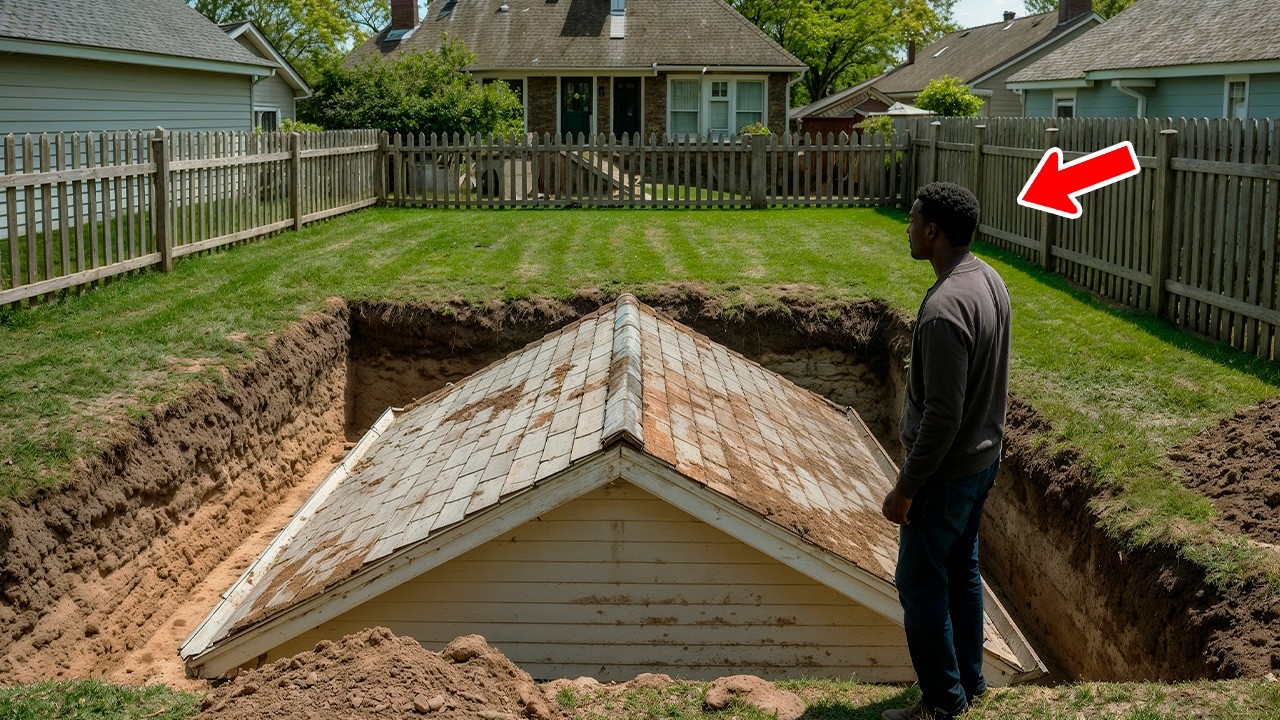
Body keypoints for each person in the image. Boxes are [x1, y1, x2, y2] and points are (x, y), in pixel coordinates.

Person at [880, 182, 1012, 720]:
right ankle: (970, 686)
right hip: (983, 462)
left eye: (912, 220)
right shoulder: (989, 279)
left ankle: (942, 703)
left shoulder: (943, 311)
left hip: (947, 474)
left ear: (932, 230)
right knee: (961, 569)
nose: (907, 228)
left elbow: (941, 417)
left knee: (917, 581)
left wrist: (905, 489)